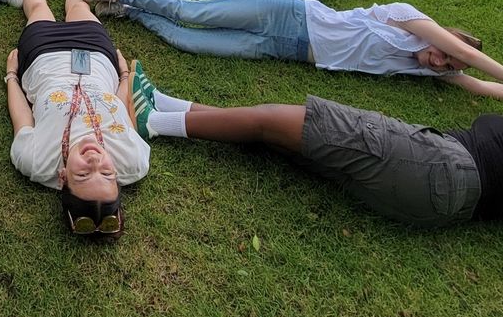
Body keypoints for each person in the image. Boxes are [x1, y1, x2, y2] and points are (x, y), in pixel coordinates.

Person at [128, 61, 503, 229]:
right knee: (280, 136)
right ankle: (165, 102)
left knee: (280, 120)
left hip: (441, 167)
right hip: (442, 191)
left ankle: (153, 124)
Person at [82, 0, 503, 99]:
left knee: (188, 42)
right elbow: (466, 55)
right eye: (443, 55)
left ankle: (130, 13)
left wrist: (462, 73)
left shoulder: (422, 68)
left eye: (445, 66)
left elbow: (480, 84)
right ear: (445, 40)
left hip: (284, 49)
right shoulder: (408, 19)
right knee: (194, 13)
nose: (438, 62)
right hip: (289, 13)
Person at [5, 0, 149, 236]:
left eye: (83, 175)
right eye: (107, 175)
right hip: (96, 60)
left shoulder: (35, 161)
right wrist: (124, 76)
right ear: (117, 179)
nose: (95, 163)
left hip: (44, 59)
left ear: (63, 179)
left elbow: (22, 118)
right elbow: (122, 113)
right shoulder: (134, 161)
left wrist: (12, 76)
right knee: (79, 7)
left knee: (38, 9)